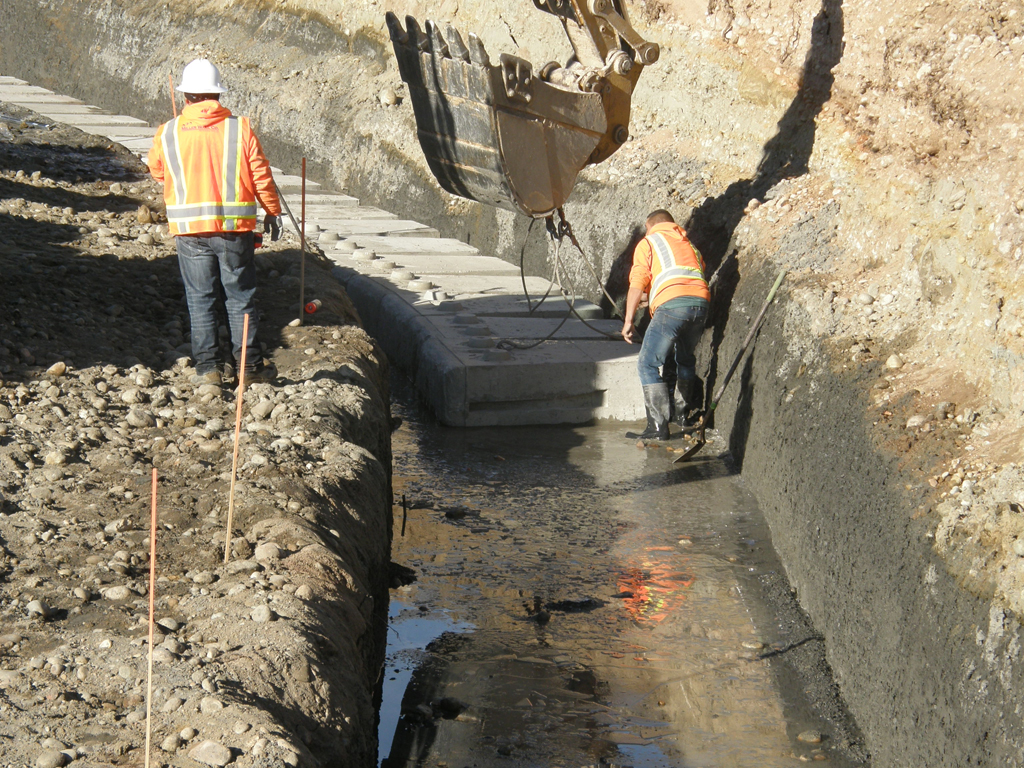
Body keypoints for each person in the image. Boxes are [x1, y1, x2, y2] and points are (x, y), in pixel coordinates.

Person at [147, 58, 283, 386]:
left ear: (186, 96)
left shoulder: (168, 132)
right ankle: (249, 369)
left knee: (200, 297)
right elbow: (261, 175)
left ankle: (208, 370)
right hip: (233, 230)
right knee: (240, 296)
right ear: (218, 95)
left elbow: (157, 171)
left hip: (190, 231)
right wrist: (272, 211)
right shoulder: (240, 128)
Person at [621, 210, 710, 441]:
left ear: (650, 225)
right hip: (700, 305)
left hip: (672, 308)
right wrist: (652, 298)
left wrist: (629, 320)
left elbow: (638, 280)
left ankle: (658, 427)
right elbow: (683, 277)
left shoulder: (649, 241)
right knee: (685, 358)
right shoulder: (689, 245)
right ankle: (681, 414)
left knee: (647, 364)